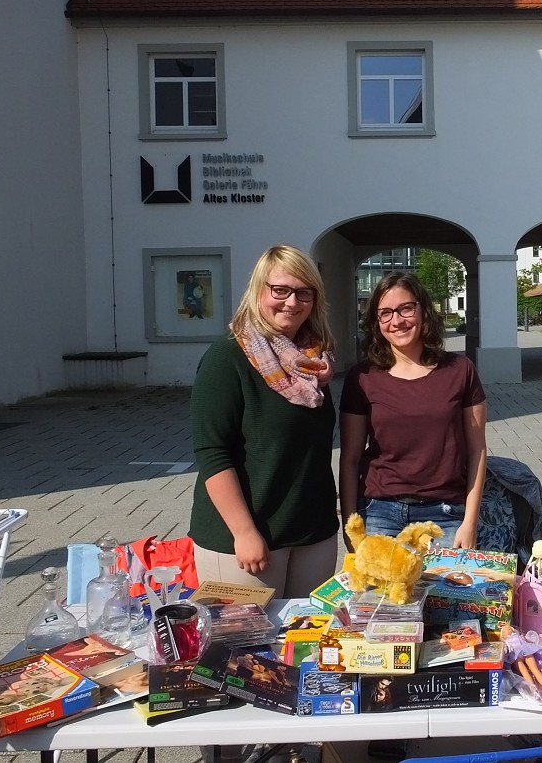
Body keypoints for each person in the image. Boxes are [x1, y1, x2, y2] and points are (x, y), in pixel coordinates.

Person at [189, 244, 337, 599]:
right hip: (246, 539)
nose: (291, 302)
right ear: (258, 291)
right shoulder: (228, 357)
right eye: (280, 290)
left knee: (306, 643)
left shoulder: (313, 363)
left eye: (304, 293)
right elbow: (212, 451)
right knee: (245, 652)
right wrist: (244, 532)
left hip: (312, 533)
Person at [339, 272, 486, 549]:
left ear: (423, 310)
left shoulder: (459, 370)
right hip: (379, 514)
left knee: (444, 594)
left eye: (406, 308)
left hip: (445, 516)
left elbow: (477, 450)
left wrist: (470, 522)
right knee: (379, 594)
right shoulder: (362, 377)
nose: (397, 321)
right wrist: (351, 528)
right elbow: (350, 459)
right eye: (385, 313)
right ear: (376, 321)